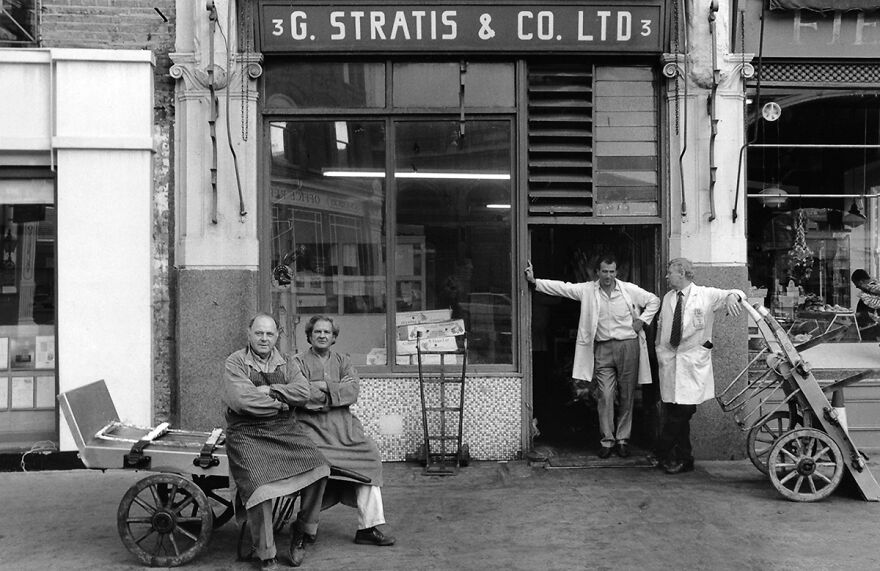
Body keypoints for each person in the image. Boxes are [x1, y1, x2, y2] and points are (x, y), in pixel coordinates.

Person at [525, 254, 661, 458]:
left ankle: (623, 439)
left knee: (627, 394)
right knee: (605, 395)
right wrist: (535, 282)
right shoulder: (588, 290)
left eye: (612, 271)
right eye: (604, 271)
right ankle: (607, 440)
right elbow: (564, 288)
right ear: (597, 272)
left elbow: (654, 300)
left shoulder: (629, 290)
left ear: (617, 272)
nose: (608, 276)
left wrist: (642, 320)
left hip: (628, 346)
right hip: (602, 348)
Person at [222, 313, 330, 570]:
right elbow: (243, 402)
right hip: (245, 433)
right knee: (260, 489)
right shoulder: (235, 362)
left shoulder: (287, 363)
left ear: (277, 336)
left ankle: (303, 529)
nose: (264, 338)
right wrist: (282, 404)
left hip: (284, 430)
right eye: (259, 333)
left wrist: (271, 391)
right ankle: (266, 552)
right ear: (249, 334)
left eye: (269, 334)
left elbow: (304, 392)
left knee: (320, 468)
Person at [289, 315, 396, 547]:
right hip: (311, 428)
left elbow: (353, 390)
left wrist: (324, 386)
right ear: (309, 335)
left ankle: (369, 526)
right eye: (317, 331)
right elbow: (301, 394)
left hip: (345, 429)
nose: (322, 335)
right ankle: (307, 525)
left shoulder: (343, 361)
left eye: (327, 332)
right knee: (316, 464)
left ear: (334, 337)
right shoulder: (296, 362)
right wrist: (335, 395)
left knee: (371, 456)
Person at [652, 258, 746, 474]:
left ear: (682, 273)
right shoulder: (668, 298)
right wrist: (659, 349)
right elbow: (662, 327)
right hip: (671, 361)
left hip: (693, 362)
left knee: (685, 409)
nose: (667, 276)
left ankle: (661, 449)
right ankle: (685, 459)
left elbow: (738, 292)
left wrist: (733, 296)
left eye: (670, 273)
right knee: (676, 409)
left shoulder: (705, 295)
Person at [851, 269, 880, 340]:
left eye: (857, 285)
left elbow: (872, 314)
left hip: (872, 332)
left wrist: (858, 314)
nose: (856, 287)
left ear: (861, 282)